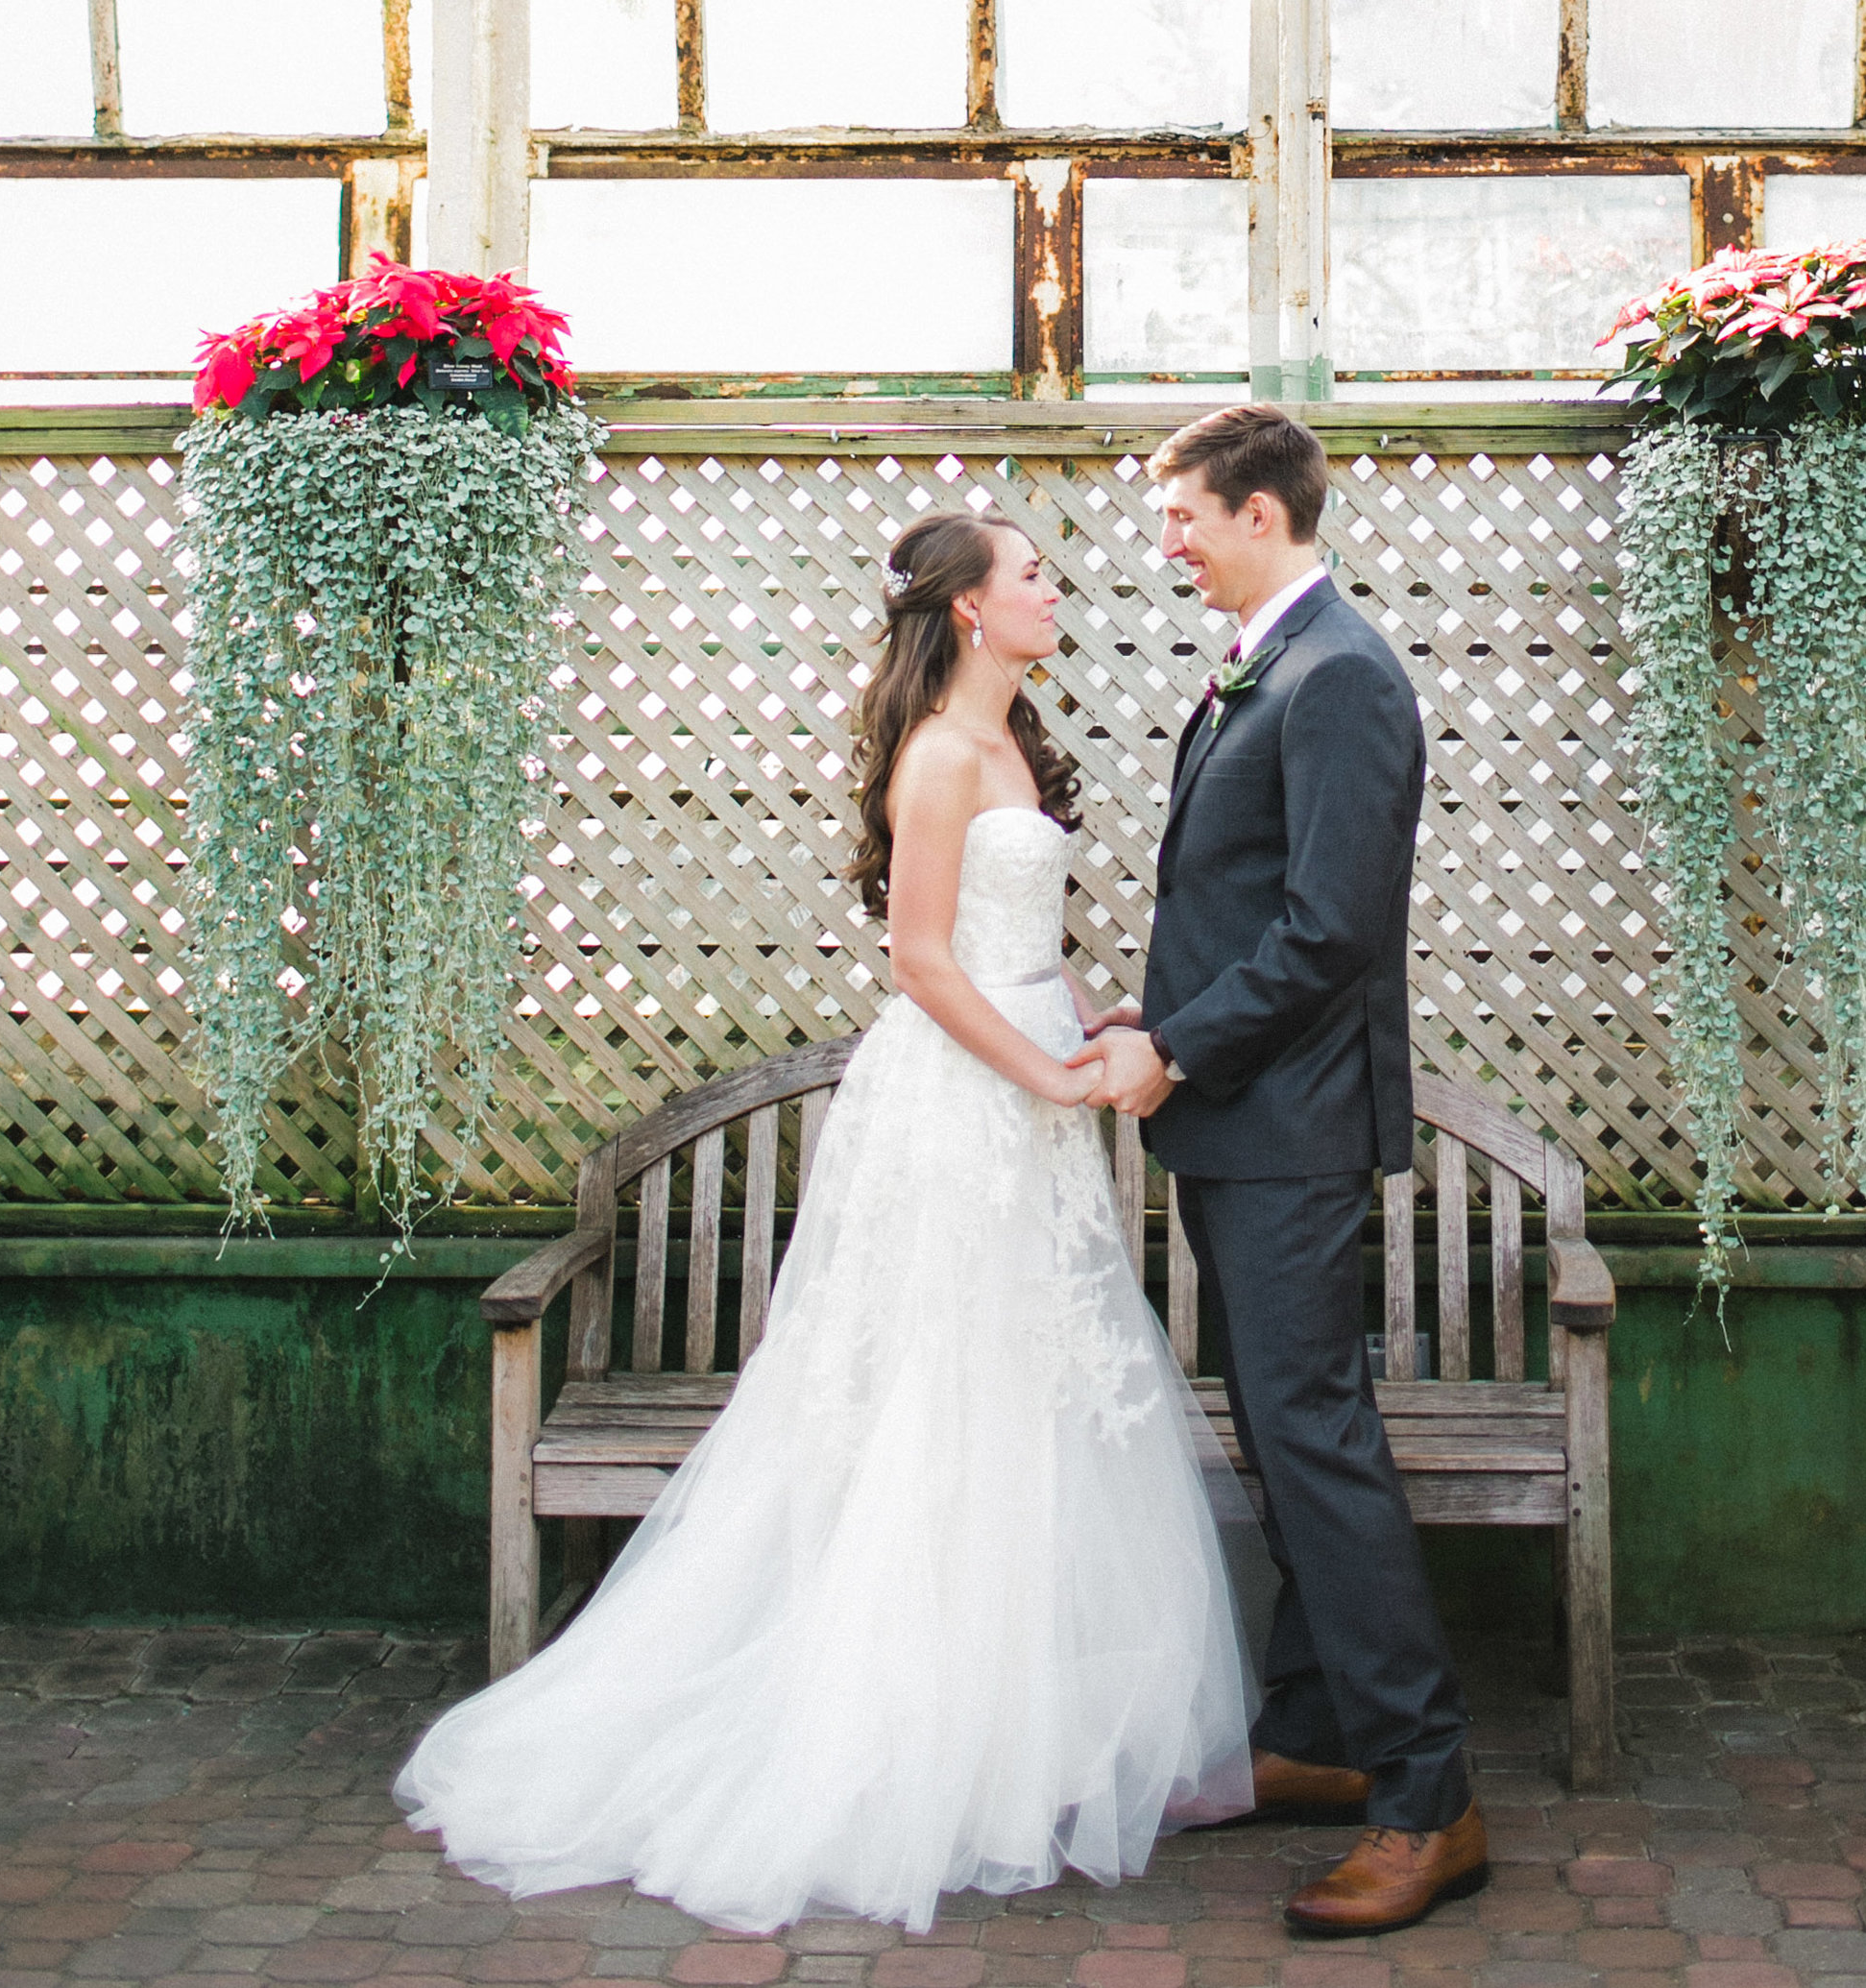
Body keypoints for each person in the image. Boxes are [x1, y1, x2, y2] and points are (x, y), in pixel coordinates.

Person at [394, 511, 1259, 1934]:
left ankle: (1013, 1726)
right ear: (972, 608)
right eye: (1032, 571)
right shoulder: (934, 753)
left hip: (1030, 1095)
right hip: (966, 1109)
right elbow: (922, 958)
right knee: (941, 1399)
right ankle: (910, 1735)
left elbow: (1006, 941)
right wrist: (1046, 1069)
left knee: (1029, 1400)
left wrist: (1085, 1018)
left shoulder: (1010, 742)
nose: (1056, 588)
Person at [1070, 404, 1486, 1941]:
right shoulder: (1276, 665)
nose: (1165, 542)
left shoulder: (1344, 678)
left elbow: (1328, 934)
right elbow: (1241, 903)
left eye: (1182, 515)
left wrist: (1175, 1053)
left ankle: (1427, 1799)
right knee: (1279, 1432)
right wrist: (1155, 1016)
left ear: (1259, 510)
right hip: (1243, 1122)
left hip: (1290, 1134)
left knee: (1318, 1443)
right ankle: (1312, 1732)